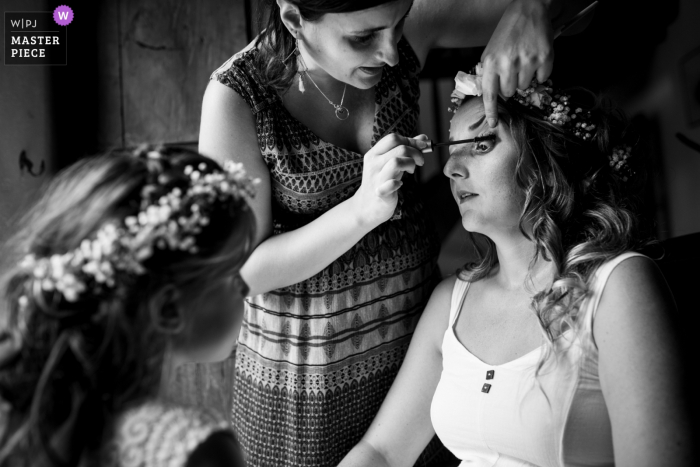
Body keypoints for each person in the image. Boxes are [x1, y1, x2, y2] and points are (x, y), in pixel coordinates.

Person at [199, 1, 596, 465]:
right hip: (304, 395)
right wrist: (361, 211)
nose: (390, 54)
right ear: (292, 20)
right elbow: (238, 272)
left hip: (423, 364)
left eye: (399, 23)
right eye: (362, 38)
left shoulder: (402, 31)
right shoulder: (237, 98)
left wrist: (534, 8)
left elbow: (585, 13)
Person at [336, 74, 694, 466]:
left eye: (482, 144)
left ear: (545, 155)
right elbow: (382, 453)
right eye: (453, 148)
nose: (451, 167)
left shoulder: (619, 286)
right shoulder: (452, 300)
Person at [0, 146, 256, 467]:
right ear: (168, 309)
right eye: (233, 275)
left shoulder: (20, 412)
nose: (246, 288)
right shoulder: (194, 450)